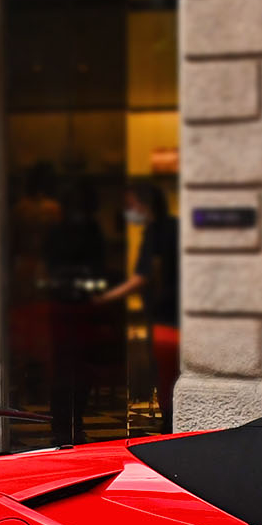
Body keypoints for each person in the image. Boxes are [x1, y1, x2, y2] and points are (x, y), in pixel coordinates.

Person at [99, 181, 180, 429]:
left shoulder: (156, 232)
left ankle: (169, 425)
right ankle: (171, 423)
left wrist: (105, 298)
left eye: (130, 204)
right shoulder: (172, 227)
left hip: (164, 317)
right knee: (171, 374)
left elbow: (141, 277)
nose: (128, 211)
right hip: (173, 314)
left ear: (145, 204)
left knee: (165, 375)